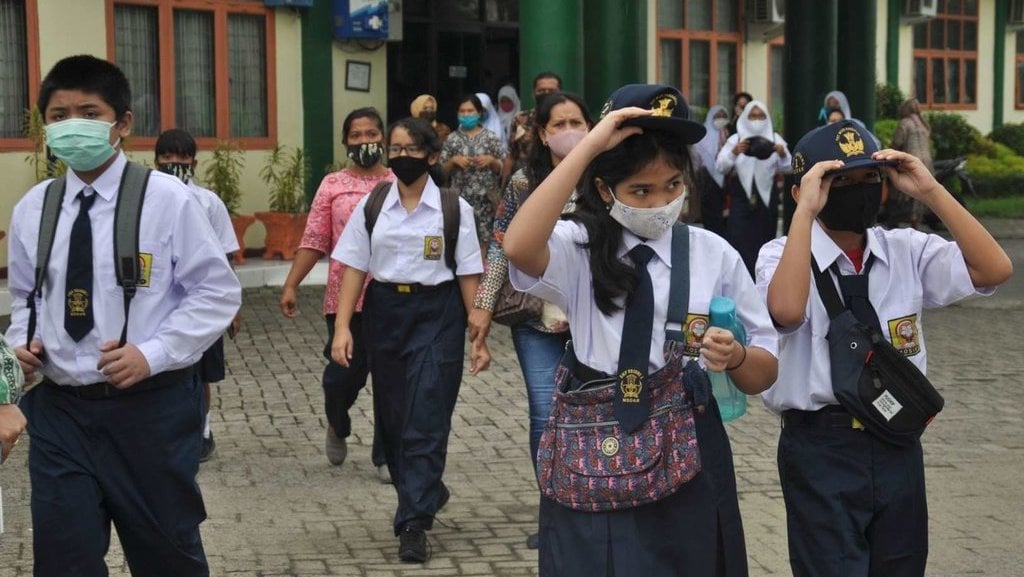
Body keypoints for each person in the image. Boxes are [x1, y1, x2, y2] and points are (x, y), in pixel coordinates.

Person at [503, 83, 779, 577]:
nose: (660, 203)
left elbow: (763, 372)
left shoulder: (713, 253)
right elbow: (519, 246)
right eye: (641, 191)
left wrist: (736, 356)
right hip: (595, 445)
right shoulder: (577, 246)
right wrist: (590, 144)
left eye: (673, 185)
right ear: (606, 189)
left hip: (691, 450)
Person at [7, 54, 241, 576]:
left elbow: (217, 293)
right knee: (64, 562)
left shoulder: (169, 201)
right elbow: (25, 297)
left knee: (167, 558)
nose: (72, 126)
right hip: (60, 413)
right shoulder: (33, 209)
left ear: (122, 123)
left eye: (88, 112)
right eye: (59, 115)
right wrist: (21, 349)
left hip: (150, 413)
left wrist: (151, 354)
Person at [755, 119, 1012, 577]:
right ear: (806, 189)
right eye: (841, 181)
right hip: (820, 444)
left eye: (869, 179)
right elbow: (787, 311)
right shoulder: (782, 253)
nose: (859, 190)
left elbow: (994, 269)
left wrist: (931, 191)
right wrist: (803, 213)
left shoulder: (904, 250)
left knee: (902, 564)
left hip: (897, 438)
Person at [330, 117, 492, 564]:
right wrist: (343, 327)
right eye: (394, 149)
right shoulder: (374, 204)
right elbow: (352, 267)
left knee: (427, 414)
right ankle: (426, 490)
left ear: (432, 156)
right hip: (384, 312)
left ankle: (413, 522)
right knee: (394, 420)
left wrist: (478, 333)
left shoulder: (453, 208)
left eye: (410, 149)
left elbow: (468, 273)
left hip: (438, 313)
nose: (400, 157)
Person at [468, 91, 593, 550]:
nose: (567, 131)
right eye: (557, 124)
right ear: (542, 133)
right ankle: (554, 513)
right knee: (545, 414)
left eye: (575, 121)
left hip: (594, 319)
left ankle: (594, 502)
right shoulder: (525, 182)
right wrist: (482, 305)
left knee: (595, 411)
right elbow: (502, 244)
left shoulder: (605, 176)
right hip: (536, 320)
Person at [279, 107, 392, 482]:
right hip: (346, 300)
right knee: (342, 377)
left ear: (383, 138)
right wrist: (292, 283)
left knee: (391, 380)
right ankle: (337, 423)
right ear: (346, 141)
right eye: (356, 135)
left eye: (372, 134)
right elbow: (315, 239)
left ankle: (386, 453)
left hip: (394, 296)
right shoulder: (332, 185)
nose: (365, 142)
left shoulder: (398, 181)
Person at [155, 128, 241, 464]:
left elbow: (226, 254)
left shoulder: (208, 202)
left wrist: (232, 308)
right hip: (161, 305)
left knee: (202, 373)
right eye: (166, 157)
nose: (174, 162)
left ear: (194, 161)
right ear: (156, 160)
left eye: (181, 157)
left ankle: (202, 429)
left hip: (201, 303)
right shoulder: (146, 201)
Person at [716, 100, 791, 276]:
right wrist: (734, 152)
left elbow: (790, 167)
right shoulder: (736, 139)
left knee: (765, 238)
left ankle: (764, 278)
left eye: (761, 116)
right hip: (741, 197)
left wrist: (782, 153)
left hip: (766, 197)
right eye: (752, 116)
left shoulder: (774, 138)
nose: (757, 120)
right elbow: (720, 166)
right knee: (738, 238)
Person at [441, 94, 506, 248]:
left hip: (485, 200)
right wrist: (453, 161)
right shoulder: (452, 139)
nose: (466, 114)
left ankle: (483, 271)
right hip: (459, 199)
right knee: (459, 239)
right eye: (462, 111)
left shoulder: (490, 137)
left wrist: (491, 160)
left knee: (485, 240)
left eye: (470, 111)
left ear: (479, 113)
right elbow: (441, 170)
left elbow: (500, 168)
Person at [887, 98, 933, 228]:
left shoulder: (905, 123)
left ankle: (896, 219)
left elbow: (897, 142)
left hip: (910, 160)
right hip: (926, 161)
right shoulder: (923, 124)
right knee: (921, 190)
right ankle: (916, 219)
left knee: (902, 190)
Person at [509, 71, 563, 173]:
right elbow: (511, 155)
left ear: (560, 92)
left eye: (551, 90)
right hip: (525, 178)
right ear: (534, 93)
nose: (546, 94)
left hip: (559, 176)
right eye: (541, 90)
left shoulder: (567, 121)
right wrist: (504, 183)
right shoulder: (520, 119)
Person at [693, 105, 730, 237]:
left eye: (723, 116)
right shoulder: (703, 135)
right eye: (717, 116)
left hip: (726, 178)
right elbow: (696, 158)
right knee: (710, 212)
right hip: (707, 178)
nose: (720, 119)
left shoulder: (728, 134)